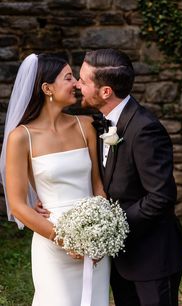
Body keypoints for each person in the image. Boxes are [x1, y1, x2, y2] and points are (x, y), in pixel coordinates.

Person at [76, 48, 182, 306]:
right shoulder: (103, 121)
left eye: (83, 80)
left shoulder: (145, 129)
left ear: (105, 91)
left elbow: (161, 197)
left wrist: (110, 227)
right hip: (123, 259)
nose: (77, 84)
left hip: (152, 258)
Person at [0, 53, 110, 306]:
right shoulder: (21, 137)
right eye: (69, 77)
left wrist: (100, 233)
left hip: (94, 241)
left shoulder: (85, 126)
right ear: (47, 88)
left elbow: (98, 187)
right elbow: (18, 205)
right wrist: (66, 240)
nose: (76, 84)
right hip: (53, 241)